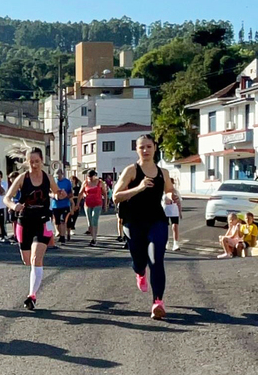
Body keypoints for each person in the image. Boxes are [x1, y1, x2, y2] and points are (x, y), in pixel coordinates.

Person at [112, 133, 173, 320]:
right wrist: (139, 187)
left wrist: (171, 197)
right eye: (141, 147)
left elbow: (168, 190)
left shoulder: (164, 173)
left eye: (148, 146)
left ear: (155, 147)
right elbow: (116, 196)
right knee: (140, 261)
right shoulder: (131, 170)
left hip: (157, 220)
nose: (145, 150)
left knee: (156, 261)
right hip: (133, 222)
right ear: (137, 150)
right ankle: (140, 272)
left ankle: (158, 302)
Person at [4, 147, 59, 310]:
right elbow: (6, 198)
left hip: (42, 221)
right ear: (27, 162)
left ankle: (31, 296)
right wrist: (14, 206)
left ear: (42, 161)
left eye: (37, 161)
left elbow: (56, 193)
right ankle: (33, 287)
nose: (34, 164)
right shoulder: (22, 178)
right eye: (31, 161)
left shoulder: (48, 177)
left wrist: (59, 195)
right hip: (24, 222)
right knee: (28, 261)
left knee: (36, 259)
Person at [78, 169, 105, 246]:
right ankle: (92, 236)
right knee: (90, 223)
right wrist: (77, 204)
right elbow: (80, 193)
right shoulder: (85, 183)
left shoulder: (100, 182)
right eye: (88, 176)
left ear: (94, 176)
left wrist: (105, 204)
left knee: (94, 220)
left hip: (98, 203)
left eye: (91, 176)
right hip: (88, 204)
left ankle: (94, 239)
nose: (89, 178)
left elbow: (105, 194)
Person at [50, 168, 73, 242]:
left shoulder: (67, 182)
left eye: (58, 175)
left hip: (65, 204)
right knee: (57, 222)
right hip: (55, 205)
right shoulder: (53, 181)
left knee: (63, 221)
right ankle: (60, 234)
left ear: (62, 174)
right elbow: (48, 192)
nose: (57, 177)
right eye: (56, 176)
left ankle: (62, 237)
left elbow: (71, 193)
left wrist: (65, 195)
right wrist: (53, 196)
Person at [163, 181, 183, 252]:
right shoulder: (163, 191)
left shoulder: (176, 192)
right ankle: (166, 242)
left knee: (174, 226)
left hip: (174, 211)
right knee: (164, 227)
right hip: (164, 211)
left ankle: (175, 243)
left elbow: (179, 202)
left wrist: (180, 212)